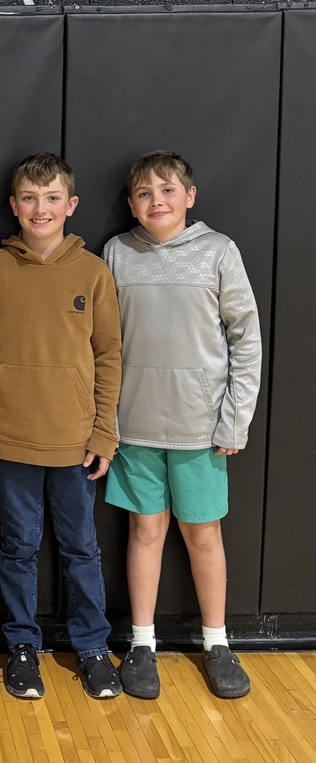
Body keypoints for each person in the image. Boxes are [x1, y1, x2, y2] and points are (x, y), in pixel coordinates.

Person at [0, 152, 123, 701]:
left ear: (71, 206)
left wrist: (104, 432)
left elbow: (109, 357)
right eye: (29, 198)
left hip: (75, 439)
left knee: (81, 549)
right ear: (13, 205)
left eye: (52, 198)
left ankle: (94, 647)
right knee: (18, 547)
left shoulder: (94, 272)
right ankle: (23, 646)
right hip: (9, 436)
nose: (40, 209)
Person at [103, 151, 262, 700]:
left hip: (201, 430)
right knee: (145, 532)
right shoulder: (118, 252)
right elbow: (101, 342)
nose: (157, 202)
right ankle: (142, 643)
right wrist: (105, 420)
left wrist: (234, 421)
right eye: (145, 194)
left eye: (168, 191)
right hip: (135, 425)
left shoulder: (219, 252)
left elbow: (246, 339)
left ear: (189, 196)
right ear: (131, 204)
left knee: (203, 534)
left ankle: (217, 642)